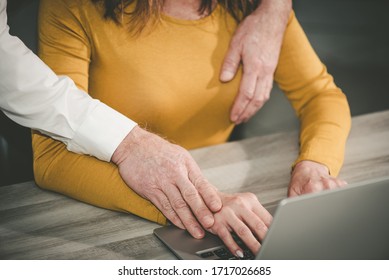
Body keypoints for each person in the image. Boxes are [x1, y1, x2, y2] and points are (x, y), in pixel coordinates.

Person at [34, 0, 350, 257]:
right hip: (106, 220)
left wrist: (314, 165)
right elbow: (51, 158)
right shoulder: (72, 7)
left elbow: (319, 95)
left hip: (214, 202)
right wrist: (202, 206)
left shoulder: (263, 8)